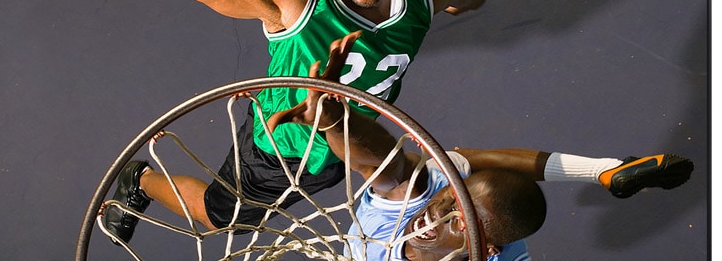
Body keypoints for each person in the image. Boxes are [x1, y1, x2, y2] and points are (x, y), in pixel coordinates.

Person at [101, 0, 693, 245]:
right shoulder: (292, 3)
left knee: (438, 172)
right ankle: (140, 181)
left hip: (357, 139)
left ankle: (604, 170)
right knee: (227, 218)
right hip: (280, 147)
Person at [266, 32, 693, 260]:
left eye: (456, 220)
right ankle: (604, 169)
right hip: (419, 205)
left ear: (483, 250)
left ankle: (602, 169)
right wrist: (333, 116)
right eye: (449, 203)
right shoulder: (414, 207)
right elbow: (381, 167)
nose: (433, 217)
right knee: (422, 177)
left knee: (454, 169)